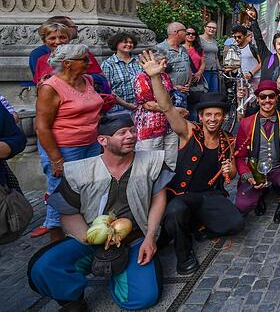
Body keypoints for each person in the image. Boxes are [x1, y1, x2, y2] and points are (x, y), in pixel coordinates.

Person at [28, 116, 172, 311]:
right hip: (91, 239)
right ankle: (73, 300)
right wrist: (89, 239)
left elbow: (158, 199)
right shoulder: (80, 171)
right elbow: (68, 213)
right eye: (122, 133)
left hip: (135, 239)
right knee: (43, 267)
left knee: (143, 298)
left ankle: (121, 273)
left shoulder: (151, 162)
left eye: (131, 130)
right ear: (103, 140)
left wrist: (150, 237)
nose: (130, 136)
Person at [140, 50, 244, 275]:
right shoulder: (188, 131)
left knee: (236, 223)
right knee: (175, 212)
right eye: (208, 115)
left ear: (223, 117)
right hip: (182, 195)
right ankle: (184, 254)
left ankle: (198, 224)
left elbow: (231, 175)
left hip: (210, 195)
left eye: (217, 115)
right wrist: (155, 77)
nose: (213, 119)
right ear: (201, 116)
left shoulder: (227, 139)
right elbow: (167, 107)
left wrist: (230, 169)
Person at [34, 44, 104, 242]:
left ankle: (83, 235)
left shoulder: (87, 79)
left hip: (90, 144)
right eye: (84, 60)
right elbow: (42, 127)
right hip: (65, 148)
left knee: (88, 190)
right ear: (67, 64)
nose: (89, 63)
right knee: (61, 195)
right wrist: (56, 159)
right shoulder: (50, 88)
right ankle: (56, 242)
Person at [234, 80, 280, 222]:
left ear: (276, 98)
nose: (267, 100)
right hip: (255, 171)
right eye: (263, 97)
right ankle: (260, 193)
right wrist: (248, 177)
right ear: (257, 100)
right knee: (242, 205)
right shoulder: (246, 123)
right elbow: (239, 157)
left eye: (271, 96)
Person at [133, 49, 184, 167]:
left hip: (169, 124)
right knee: (151, 164)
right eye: (161, 62)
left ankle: (169, 185)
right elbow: (148, 104)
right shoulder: (142, 78)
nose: (165, 66)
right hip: (150, 127)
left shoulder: (165, 76)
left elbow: (169, 97)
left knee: (171, 161)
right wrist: (175, 110)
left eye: (166, 62)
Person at [32, 21, 105, 85]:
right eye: (52, 38)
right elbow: (38, 84)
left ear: (69, 39)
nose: (58, 42)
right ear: (44, 41)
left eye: (62, 37)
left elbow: (101, 79)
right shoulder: (41, 60)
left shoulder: (82, 55)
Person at [247, 8, 280, 83]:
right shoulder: (267, 58)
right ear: (274, 45)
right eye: (279, 44)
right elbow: (259, 40)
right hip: (264, 94)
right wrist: (253, 21)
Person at [101, 32, 143, 115]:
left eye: (131, 42)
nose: (129, 44)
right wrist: (127, 105)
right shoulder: (108, 64)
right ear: (116, 44)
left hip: (142, 107)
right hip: (118, 110)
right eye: (125, 42)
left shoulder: (139, 60)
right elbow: (107, 90)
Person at [153, 22, 192, 108]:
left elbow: (188, 67)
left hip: (184, 92)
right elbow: (154, 75)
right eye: (185, 31)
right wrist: (174, 87)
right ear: (177, 32)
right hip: (169, 94)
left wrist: (188, 82)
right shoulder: (159, 49)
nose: (187, 33)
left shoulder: (183, 49)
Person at [183, 26, 207, 93]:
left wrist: (199, 73)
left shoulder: (199, 49)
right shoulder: (180, 48)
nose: (191, 35)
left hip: (196, 77)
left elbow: (203, 63)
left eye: (193, 34)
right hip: (184, 78)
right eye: (188, 33)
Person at [199, 21, 222, 93]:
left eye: (214, 28)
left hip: (214, 70)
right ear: (205, 28)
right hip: (203, 71)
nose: (212, 29)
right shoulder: (199, 39)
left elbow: (216, 57)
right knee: (204, 92)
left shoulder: (215, 41)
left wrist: (219, 69)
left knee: (214, 92)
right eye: (209, 27)